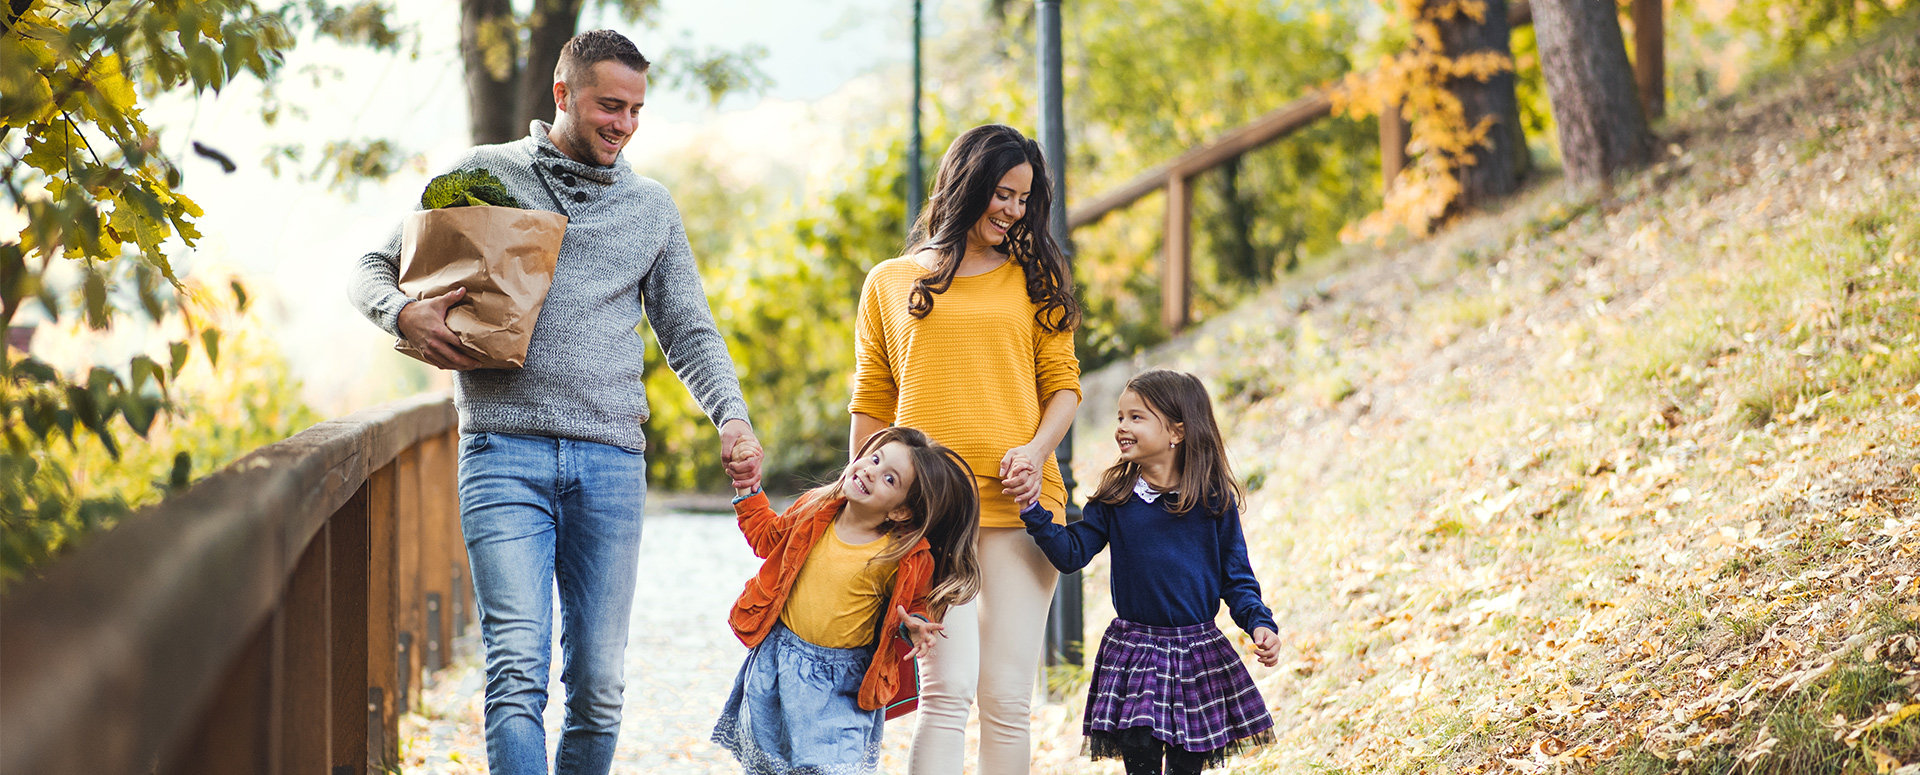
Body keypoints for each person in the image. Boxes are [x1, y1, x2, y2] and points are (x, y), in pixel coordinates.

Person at [346, 30, 761, 775]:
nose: (624, 125)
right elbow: (372, 266)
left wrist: (730, 414)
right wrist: (401, 314)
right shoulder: (485, 175)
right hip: (502, 452)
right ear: (563, 95)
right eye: (610, 105)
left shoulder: (649, 208)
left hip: (609, 463)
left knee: (599, 686)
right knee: (516, 670)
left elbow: (688, 329)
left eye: (636, 110)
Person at [849, 123, 1082, 774]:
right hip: (928, 518)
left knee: (1005, 698)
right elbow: (872, 400)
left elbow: (1064, 386)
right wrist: (856, 502)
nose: (1011, 210)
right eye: (1001, 193)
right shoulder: (889, 282)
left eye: (1023, 199)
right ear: (967, 184)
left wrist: (1035, 452)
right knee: (944, 693)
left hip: (1024, 512)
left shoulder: (1036, 278)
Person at [1019, 369, 1281, 775]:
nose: (1122, 427)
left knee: (1186, 768)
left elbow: (1237, 578)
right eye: (1120, 417)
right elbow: (1071, 554)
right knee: (1140, 760)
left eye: (1136, 417)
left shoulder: (1213, 501)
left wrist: (1259, 623)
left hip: (1199, 656)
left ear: (1176, 431)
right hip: (1136, 655)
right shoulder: (1116, 498)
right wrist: (1033, 512)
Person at [713, 428, 983, 775]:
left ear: (901, 511)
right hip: (780, 666)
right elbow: (768, 539)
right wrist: (747, 489)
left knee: (833, 768)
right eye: (874, 458)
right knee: (773, 766)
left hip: (841, 685)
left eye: (889, 478)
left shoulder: (901, 556)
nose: (871, 471)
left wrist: (912, 625)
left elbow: (911, 604)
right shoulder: (814, 508)